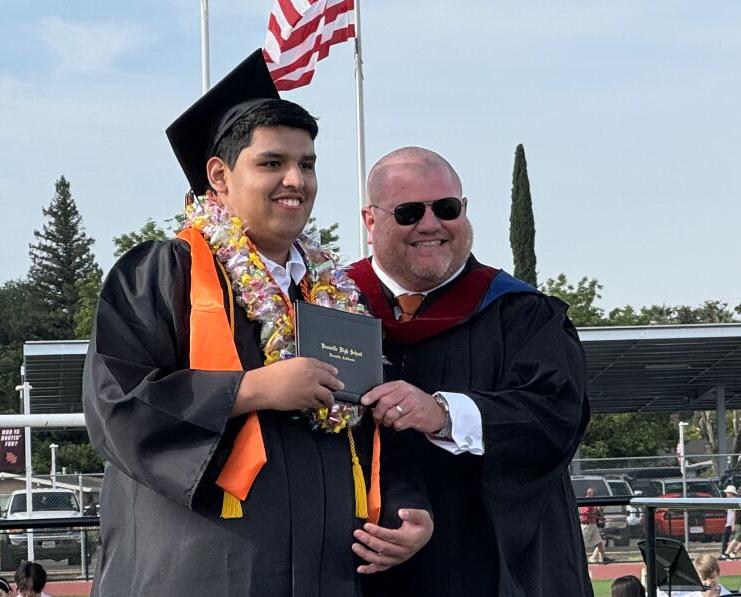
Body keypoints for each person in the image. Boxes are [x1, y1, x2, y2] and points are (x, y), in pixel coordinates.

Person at [82, 51, 430, 596]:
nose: (296, 179)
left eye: (308, 164)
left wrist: (408, 504)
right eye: (272, 163)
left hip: (328, 572)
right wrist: (248, 389)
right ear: (219, 176)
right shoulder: (163, 272)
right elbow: (117, 404)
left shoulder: (333, 295)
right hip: (200, 571)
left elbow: (371, 420)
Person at [348, 146, 592, 596]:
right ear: (370, 221)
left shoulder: (522, 312)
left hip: (492, 565)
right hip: (364, 563)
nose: (430, 224)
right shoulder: (335, 310)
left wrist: (444, 413)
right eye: (407, 212)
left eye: (446, 208)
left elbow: (558, 415)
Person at [580, 487, 608, 563]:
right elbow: (588, 514)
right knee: (583, 544)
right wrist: (598, 517)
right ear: (589, 494)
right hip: (587, 525)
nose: (595, 495)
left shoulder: (592, 501)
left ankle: (604, 557)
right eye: (593, 494)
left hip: (593, 524)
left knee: (599, 541)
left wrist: (598, 512)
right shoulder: (586, 501)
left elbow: (594, 511)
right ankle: (581, 559)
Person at [719, 485, 738, 559]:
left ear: (731, 493)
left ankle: (724, 553)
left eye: (727, 492)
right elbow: (728, 511)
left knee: (725, 539)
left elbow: (734, 513)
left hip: (731, 523)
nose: (726, 494)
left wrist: (733, 524)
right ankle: (726, 553)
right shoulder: (730, 500)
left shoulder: (733, 500)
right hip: (730, 523)